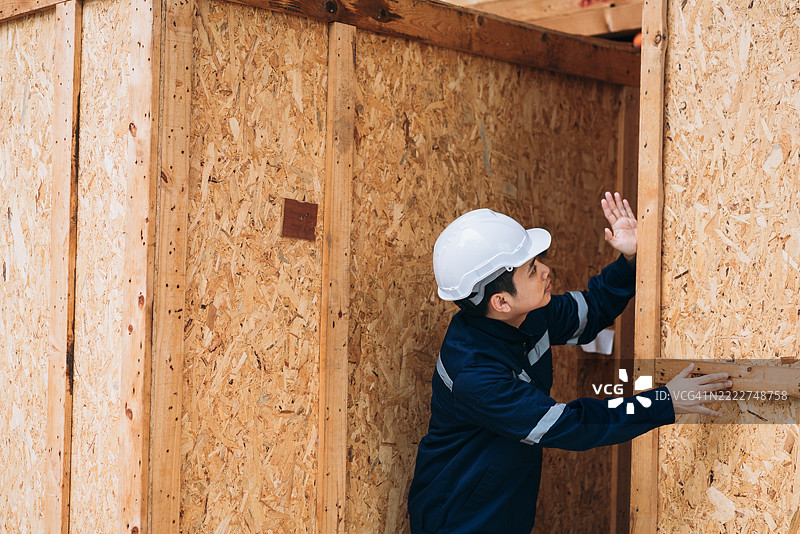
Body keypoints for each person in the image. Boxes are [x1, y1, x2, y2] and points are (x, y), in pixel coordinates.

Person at [407, 192, 731, 534]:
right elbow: (569, 425)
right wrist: (663, 401)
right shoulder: (475, 374)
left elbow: (592, 311)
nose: (546, 270)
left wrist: (630, 257)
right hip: (458, 523)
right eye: (532, 270)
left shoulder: (527, 316)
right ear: (501, 301)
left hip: (497, 510)